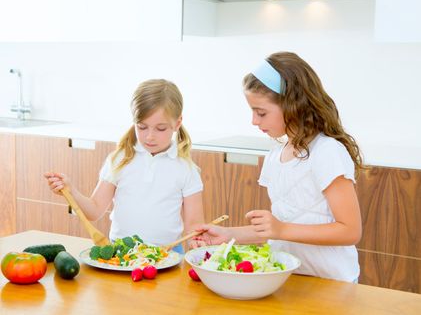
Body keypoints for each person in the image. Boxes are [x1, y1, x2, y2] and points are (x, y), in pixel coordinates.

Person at [196, 52, 363, 282]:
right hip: (288, 278)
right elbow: (276, 228)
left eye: (261, 112)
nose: (254, 121)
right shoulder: (276, 156)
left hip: (332, 282)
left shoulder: (327, 152)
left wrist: (281, 229)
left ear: (292, 105)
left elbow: (350, 230)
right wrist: (228, 235)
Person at [45, 79, 205, 253]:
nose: (150, 136)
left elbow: (194, 226)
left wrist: (197, 241)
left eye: (160, 129)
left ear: (177, 123)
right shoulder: (120, 160)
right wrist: (71, 190)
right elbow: (94, 210)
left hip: (169, 255)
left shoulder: (187, 169)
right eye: (142, 127)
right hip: (121, 254)